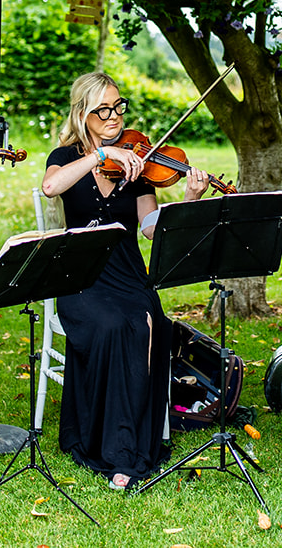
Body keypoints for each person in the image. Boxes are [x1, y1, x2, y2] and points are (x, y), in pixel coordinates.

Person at [40, 72, 213, 488]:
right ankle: (109, 443)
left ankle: (133, 442)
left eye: (119, 106)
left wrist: (188, 200)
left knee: (147, 323)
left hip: (129, 272)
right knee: (113, 326)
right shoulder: (65, 157)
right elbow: (50, 187)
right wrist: (99, 157)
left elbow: (151, 226)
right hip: (81, 275)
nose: (115, 116)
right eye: (104, 109)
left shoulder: (137, 161)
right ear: (83, 114)